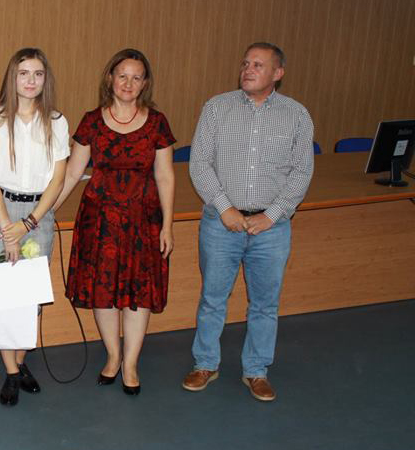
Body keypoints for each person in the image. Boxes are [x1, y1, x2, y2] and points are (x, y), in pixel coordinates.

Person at [182, 42, 314, 402]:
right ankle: (205, 363)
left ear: (277, 73)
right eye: (245, 63)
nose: (248, 70)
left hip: (272, 227)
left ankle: (256, 370)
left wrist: (271, 215)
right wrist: (225, 208)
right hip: (221, 222)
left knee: (265, 304)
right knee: (212, 298)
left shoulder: (296, 115)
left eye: (258, 64)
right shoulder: (217, 107)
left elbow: (301, 172)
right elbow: (199, 163)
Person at [55, 48, 175, 396]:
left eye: (136, 77)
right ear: (110, 78)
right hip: (100, 221)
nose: (128, 83)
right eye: (122, 75)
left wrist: (167, 225)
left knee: (138, 294)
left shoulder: (157, 122)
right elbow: (73, 172)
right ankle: (112, 356)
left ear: (145, 83)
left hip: (143, 221)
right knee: (103, 293)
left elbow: (165, 176)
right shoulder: (92, 121)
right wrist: (44, 212)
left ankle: (131, 363)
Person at [0, 48, 69, 406]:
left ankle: (18, 361)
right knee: (5, 295)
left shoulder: (57, 122)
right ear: (12, 78)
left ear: (46, 79)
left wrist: (29, 222)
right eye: (24, 73)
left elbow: (58, 179)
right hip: (0, 210)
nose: (31, 81)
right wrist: (8, 229)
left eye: (38, 74)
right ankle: (12, 372)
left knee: (30, 297)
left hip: (38, 212)